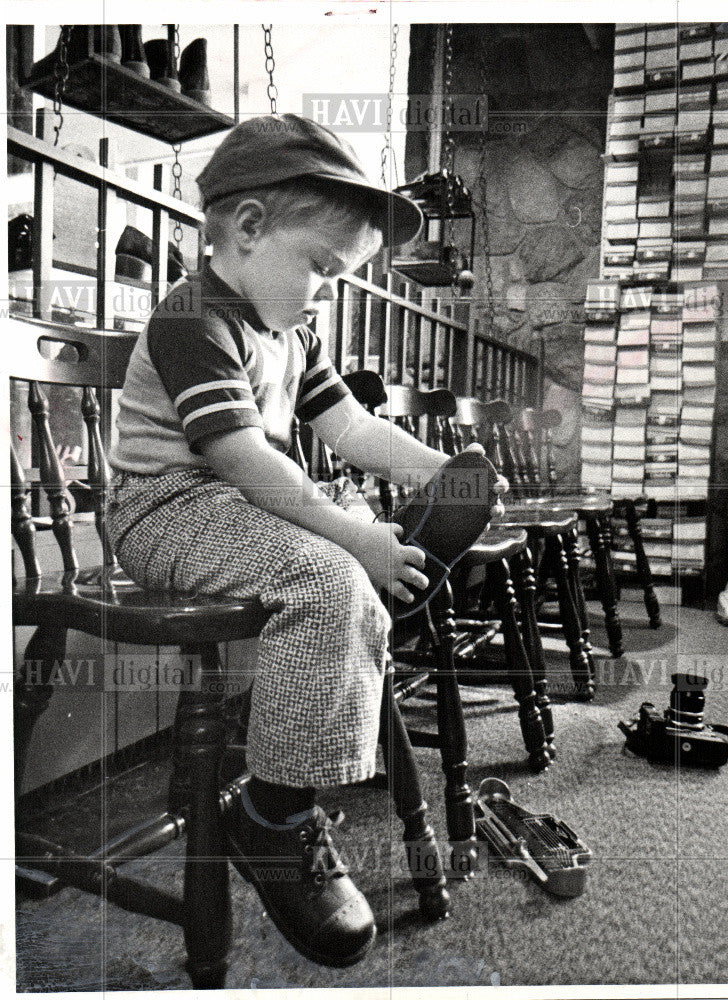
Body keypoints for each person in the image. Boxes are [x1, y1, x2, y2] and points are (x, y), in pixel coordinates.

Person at [106, 113, 504, 968]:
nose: (326, 289)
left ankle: (395, 576)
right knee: (333, 577)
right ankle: (273, 818)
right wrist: (353, 536)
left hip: (236, 508)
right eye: (321, 267)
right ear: (246, 230)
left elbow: (351, 425)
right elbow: (240, 457)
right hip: (164, 506)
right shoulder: (194, 317)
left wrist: (449, 474)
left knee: (346, 573)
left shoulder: (294, 332)